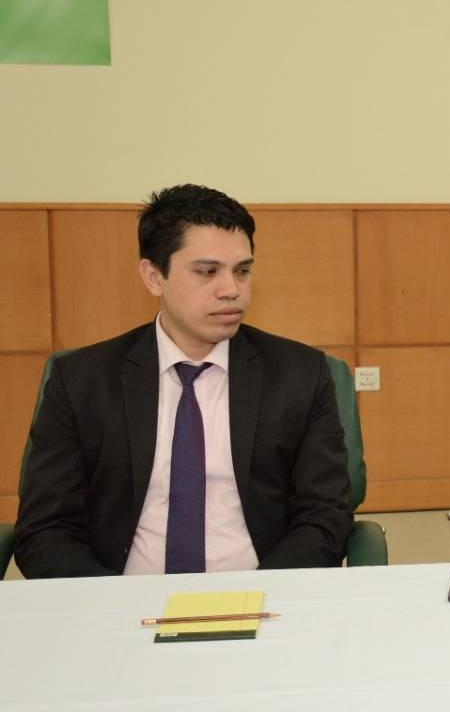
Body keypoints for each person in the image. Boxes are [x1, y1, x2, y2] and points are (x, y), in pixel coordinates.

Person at [15, 184, 353, 578]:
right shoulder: (82, 381)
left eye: (242, 271)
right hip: (121, 602)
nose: (231, 290)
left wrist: (266, 593)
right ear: (153, 276)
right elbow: (46, 527)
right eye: (207, 272)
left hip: (260, 594)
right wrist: (110, 606)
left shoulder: (300, 373)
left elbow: (324, 513)